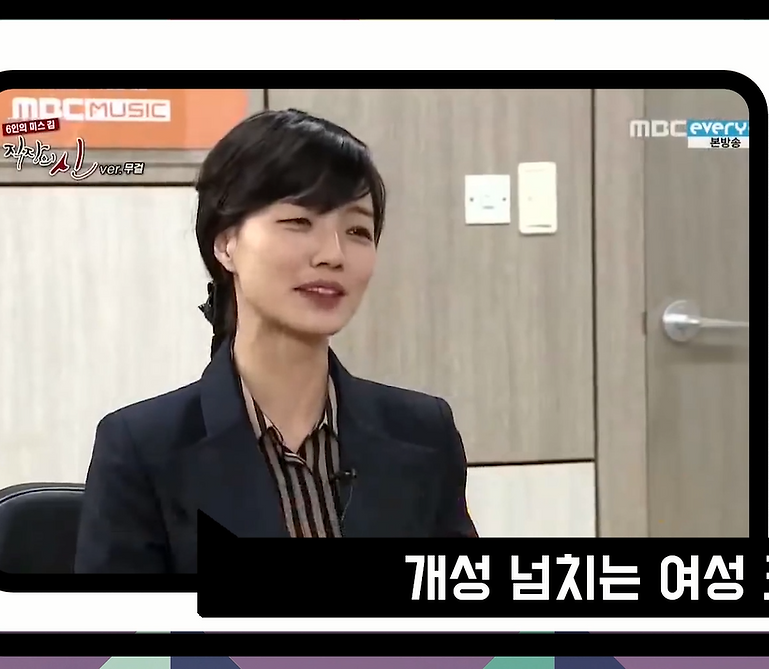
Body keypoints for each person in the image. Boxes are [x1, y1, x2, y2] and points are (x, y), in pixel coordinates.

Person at [74, 108, 478, 574]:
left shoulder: (424, 434)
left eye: (357, 230)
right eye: (299, 222)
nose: (333, 254)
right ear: (226, 244)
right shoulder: (142, 449)